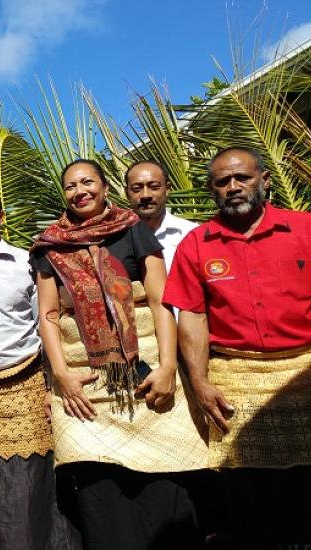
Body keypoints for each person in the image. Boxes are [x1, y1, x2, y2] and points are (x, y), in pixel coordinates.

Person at [30, 160, 209, 549]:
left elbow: (162, 300)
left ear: (105, 187)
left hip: (146, 381)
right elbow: (48, 316)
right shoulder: (49, 245)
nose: (80, 190)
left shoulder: (133, 230)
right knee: (100, 495)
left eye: (88, 182)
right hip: (85, 392)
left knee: (166, 487)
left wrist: (166, 367)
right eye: (71, 185)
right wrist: (60, 375)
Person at [163, 147, 311, 548]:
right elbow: (192, 316)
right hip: (236, 379)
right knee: (249, 493)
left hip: (304, 371)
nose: (232, 187)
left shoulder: (305, 229)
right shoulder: (197, 243)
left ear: (264, 180)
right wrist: (199, 381)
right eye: (222, 182)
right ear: (212, 190)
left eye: (241, 178)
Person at [0, 188, 79, 550]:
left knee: (30, 484)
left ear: (1, 217)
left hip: (26, 385)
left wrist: (51, 386)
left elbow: (48, 323)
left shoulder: (28, 263)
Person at [124, 160, 197, 272]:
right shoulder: (118, 240)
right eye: (136, 189)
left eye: (154, 187)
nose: (145, 195)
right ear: (126, 193)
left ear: (167, 189)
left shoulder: (191, 234)